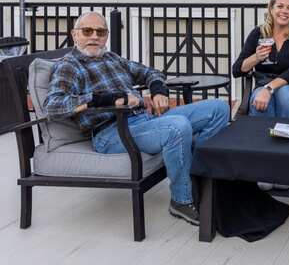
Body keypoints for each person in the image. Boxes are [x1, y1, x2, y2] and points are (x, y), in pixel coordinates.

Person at [45, 11, 230, 226]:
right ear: (75, 35)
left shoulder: (111, 58)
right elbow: (54, 105)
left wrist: (159, 90)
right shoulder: (69, 65)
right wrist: (109, 99)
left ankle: (199, 177)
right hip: (111, 132)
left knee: (218, 108)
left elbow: (150, 72)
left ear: (106, 36)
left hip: (143, 119)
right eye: (87, 31)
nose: (94, 36)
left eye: (101, 32)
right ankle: (182, 199)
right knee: (178, 127)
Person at [232, 0, 289, 117]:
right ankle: (264, 136)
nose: (284, 11)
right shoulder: (258, 33)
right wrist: (256, 57)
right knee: (260, 101)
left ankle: (287, 135)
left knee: (284, 93)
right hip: (263, 86)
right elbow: (237, 70)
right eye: (280, 6)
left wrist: (269, 88)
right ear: (271, 9)